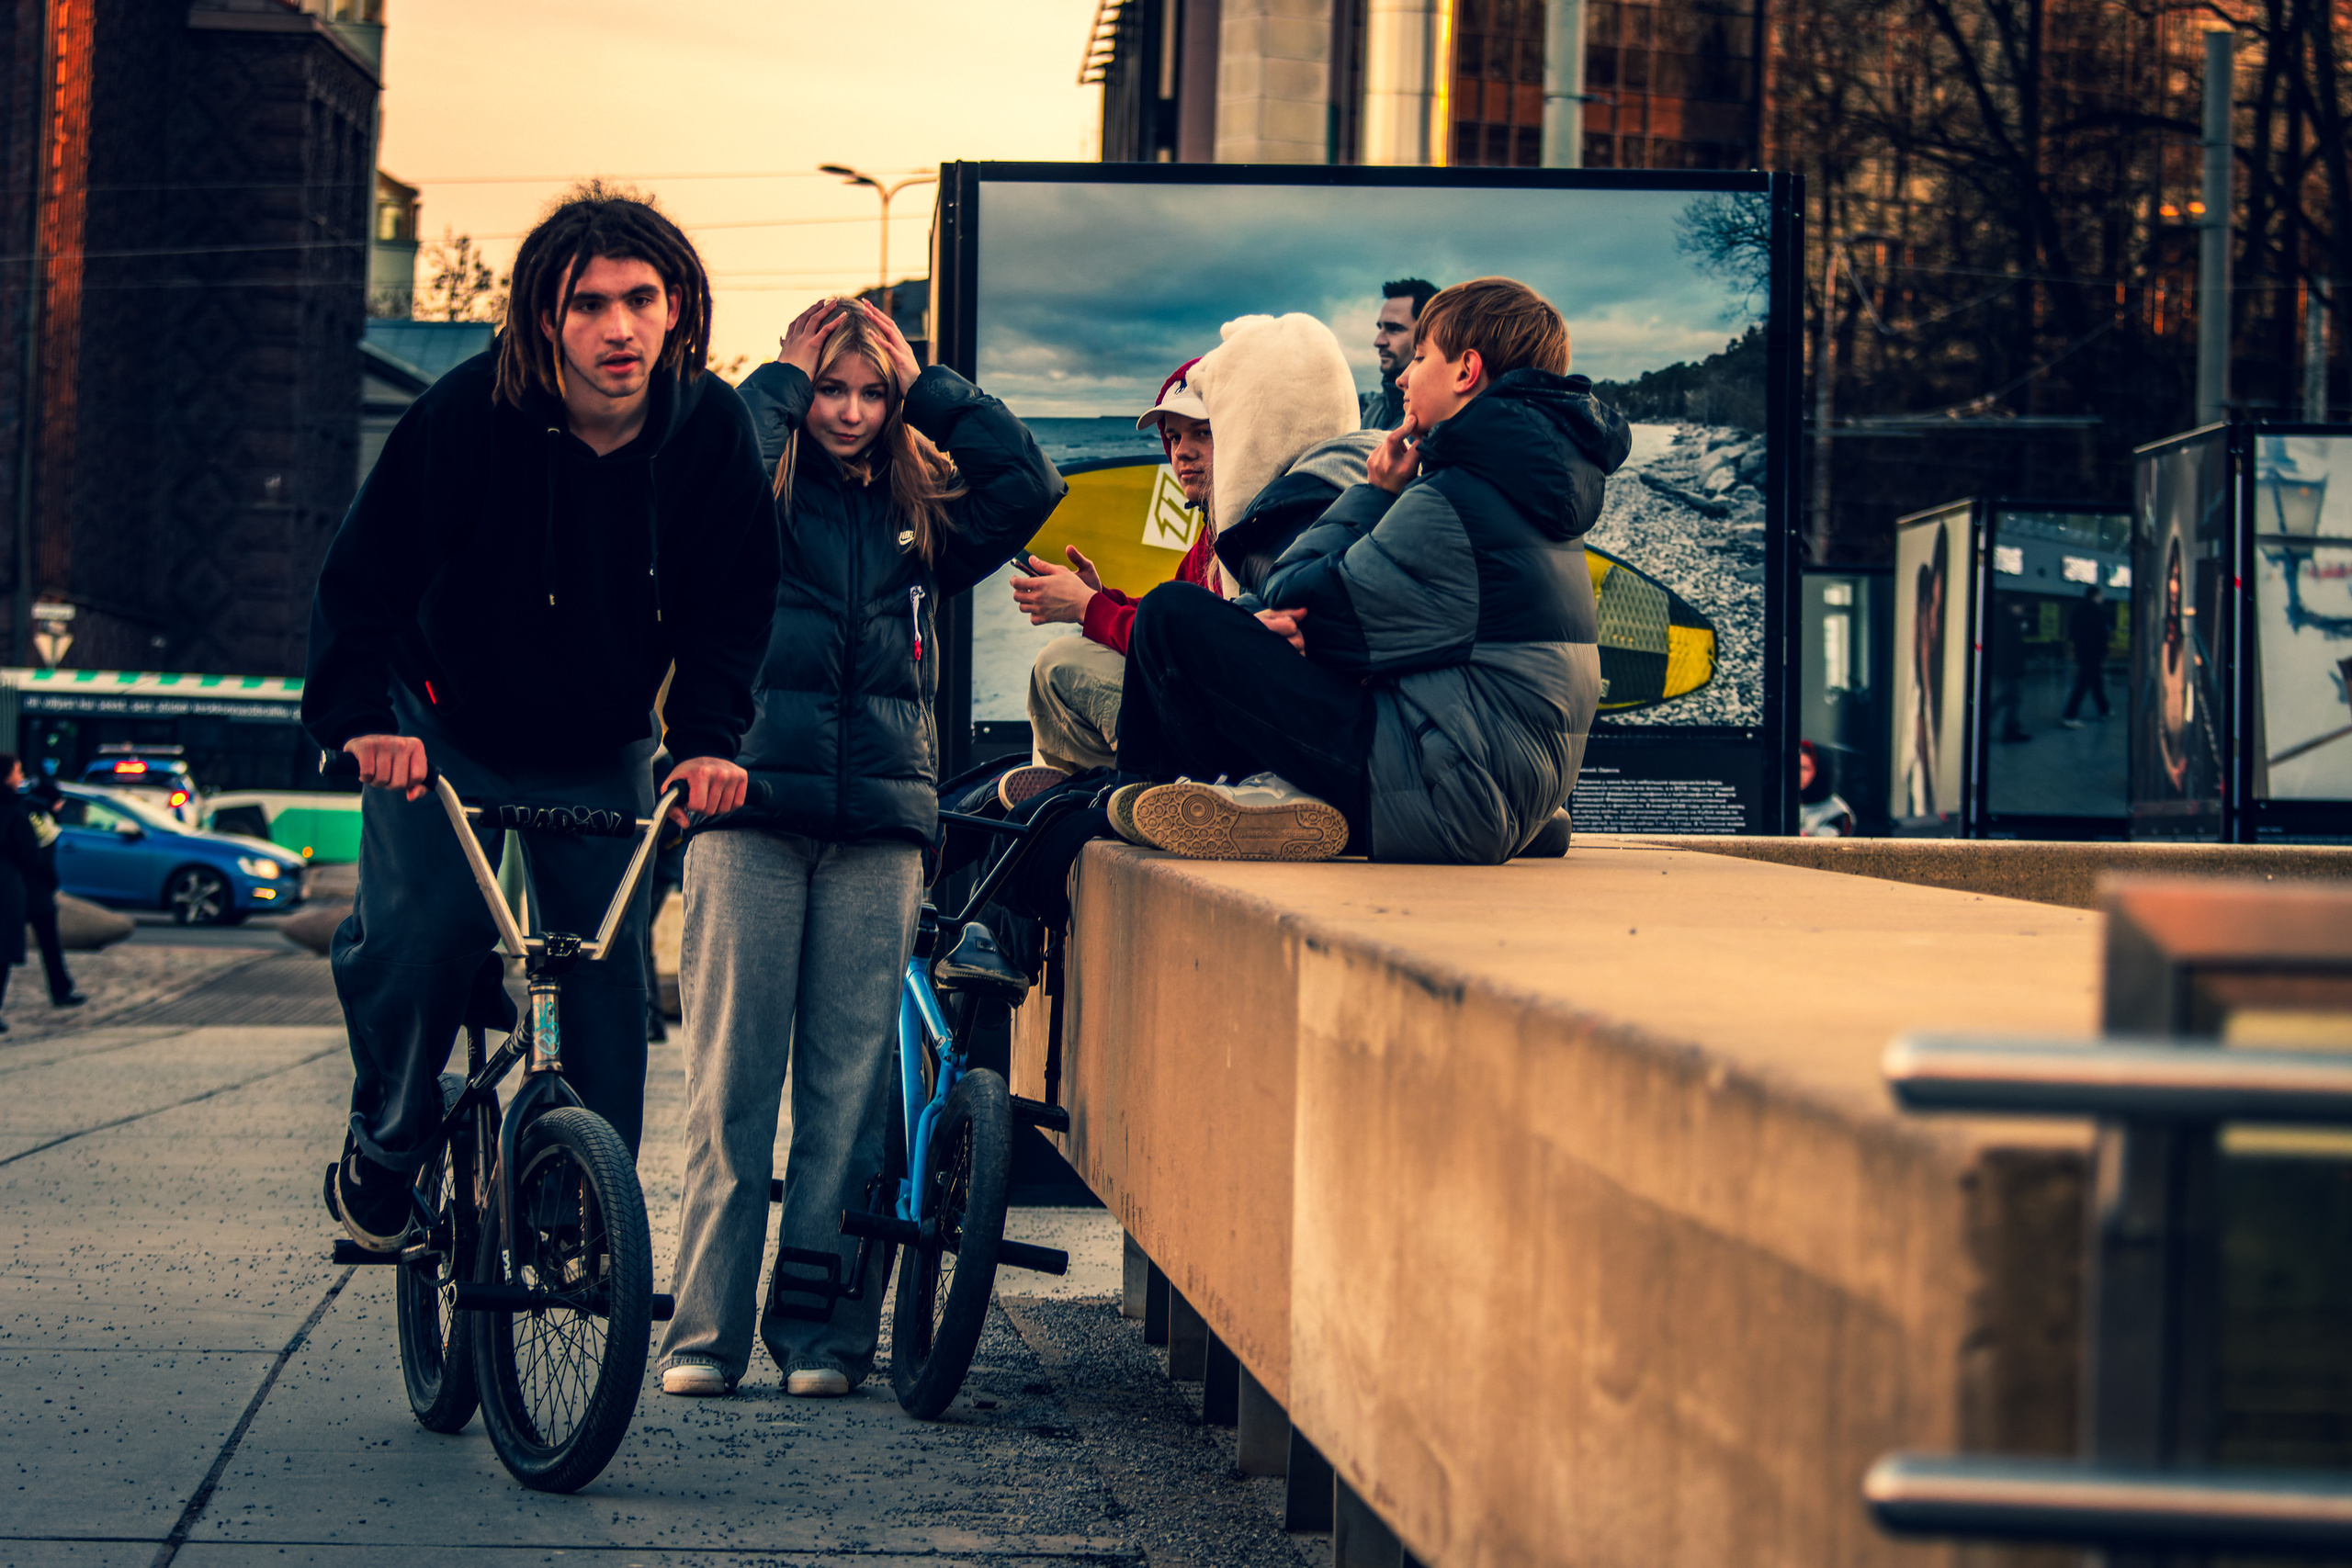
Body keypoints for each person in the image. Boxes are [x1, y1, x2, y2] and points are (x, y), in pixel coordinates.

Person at [303, 186, 777, 1254]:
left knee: (603, 974)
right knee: (426, 933)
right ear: (543, 319)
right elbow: (361, 581)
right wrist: (354, 722)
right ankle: (387, 1138)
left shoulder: (707, 433)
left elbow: (730, 608)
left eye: (641, 299)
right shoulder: (470, 416)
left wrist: (706, 741)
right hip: (438, 725)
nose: (619, 328)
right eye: (588, 304)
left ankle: (570, 1206)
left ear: (677, 305)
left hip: (597, 738)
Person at [657, 297, 1063, 1402]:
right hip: (747, 816)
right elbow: (696, 473)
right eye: (830, 390)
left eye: (869, 393)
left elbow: (1028, 486)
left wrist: (928, 380)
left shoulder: (919, 514)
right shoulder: (753, 498)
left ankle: (824, 1341)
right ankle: (703, 1335)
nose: (847, 412)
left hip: (881, 827)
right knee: (730, 1092)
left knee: (850, 1098)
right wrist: (776, 384)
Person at [1112, 277, 1629, 864]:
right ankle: (1237, 795)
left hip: (1443, 794)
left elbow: (1294, 586)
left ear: (1465, 372)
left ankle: (1127, 802)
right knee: (1237, 627)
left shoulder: (1458, 499)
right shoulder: (1523, 490)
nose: (1404, 377)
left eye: (1423, 356)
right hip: (1489, 779)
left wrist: (1373, 492)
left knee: (1167, 617)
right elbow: (1353, 618)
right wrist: (1304, 628)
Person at [1010, 358, 1218, 780]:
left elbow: (1186, 648)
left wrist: (1089, 608)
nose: (1182, 452)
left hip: (1216, 738)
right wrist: (1101, 598)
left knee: (1059, 662)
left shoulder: (1243, 529)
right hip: (1204, 718)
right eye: (1174, 437)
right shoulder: (1212, 532)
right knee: (1056, 667)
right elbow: (1167, 622)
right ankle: (1085, 789)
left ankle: (1121, 789)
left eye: (1203, 432)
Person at [18, 773, 81, 1007]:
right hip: (37, 892)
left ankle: (61, 988)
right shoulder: (41, 820)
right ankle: (61, 990)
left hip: (20, 890)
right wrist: (52, 882)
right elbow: (42, 859)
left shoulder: (24, 810)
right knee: (50, 945)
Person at [1362, 277, 1437, 431]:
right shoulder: (1373, 410)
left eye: (1394, 328)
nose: (1379, 341)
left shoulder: (1438, 419)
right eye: (1380, 328)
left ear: (1429, 333)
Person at [2059, 582, 2112, 728]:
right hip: (2093, 653)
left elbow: (2072, 632)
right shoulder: (2096, 611)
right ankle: (2070, 715)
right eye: (2101, 595)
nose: (2102, 598)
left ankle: (2104, 710)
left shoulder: (2078, 610)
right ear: (2096, 595)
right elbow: (2102, 634)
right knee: (2083, 684)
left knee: (2096, 682)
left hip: (2082, 652)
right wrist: (2103, 651)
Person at [1988, 598, 2032, 743]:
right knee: (2012, 698)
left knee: (2008, 697)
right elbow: (2013, 649)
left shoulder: (2000, 620)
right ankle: (2009, 730)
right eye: (2020, 606)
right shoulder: (2010, 623)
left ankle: (2008, 726)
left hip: (2004, 667)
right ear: (2012, 605)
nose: (2021, 610)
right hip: (2011, 668)